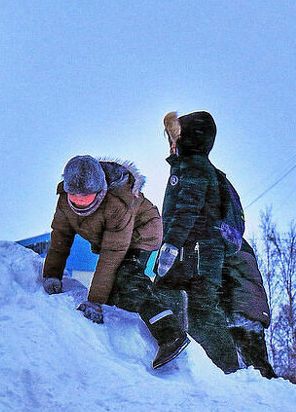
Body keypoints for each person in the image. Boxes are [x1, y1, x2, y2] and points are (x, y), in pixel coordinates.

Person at [41, 155, 189, 370]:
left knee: (126, 278)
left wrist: (94, 301)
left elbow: (112, 253)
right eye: (75, 197)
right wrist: (52, 274)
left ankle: (171, 334)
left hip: (142, 233)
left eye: (86, 198)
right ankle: (168, 300)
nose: (79, 203)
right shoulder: (65, 200)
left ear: (100, 191)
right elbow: (60, 238)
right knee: (113, 294)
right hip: (113, 240)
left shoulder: (117, 203)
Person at [156, 111, 239, 373]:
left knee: (202, 311)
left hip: (197, 255)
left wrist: (170, 246)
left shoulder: (194, 167)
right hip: (195, 253)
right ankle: (201, 364)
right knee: (192, 306)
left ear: (187, 138)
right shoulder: (189, 166)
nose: (170, 142)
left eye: (174, 137)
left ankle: (229, 371)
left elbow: (187, 210)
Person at [222, 239, 277, 378]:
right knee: (260, 367)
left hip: (236, 309)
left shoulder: (216, 239)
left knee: (239, 373)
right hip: (255, 311)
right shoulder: (239, 241)